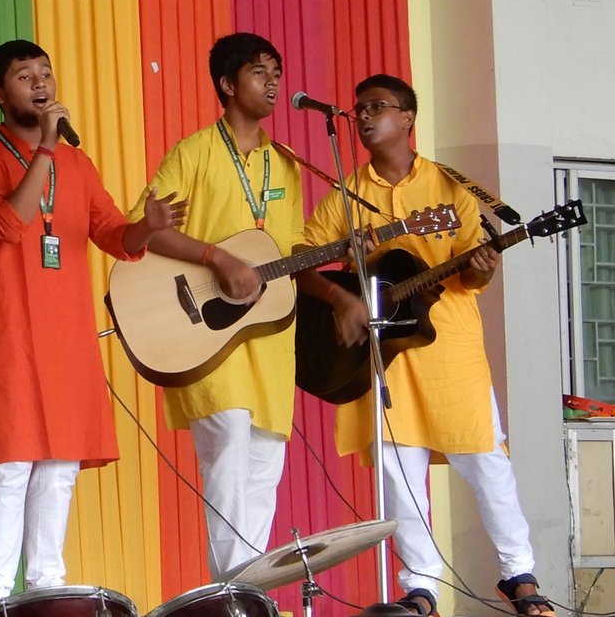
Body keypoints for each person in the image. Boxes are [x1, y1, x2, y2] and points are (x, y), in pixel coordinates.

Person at [297, 75, 553, 617]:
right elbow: (302, 255)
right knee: (399, 469)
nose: (364, 117)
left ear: (408, 119)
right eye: (359, 109)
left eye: (378, 107)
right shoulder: (347, 192)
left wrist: (484, 266)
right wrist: (342, 289)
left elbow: (473, 274)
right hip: (383, 350)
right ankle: (421, 589)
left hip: (449, 346)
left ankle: (520, 574)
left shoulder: (450, 186)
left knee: (485, 456)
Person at [0, 39, 186, 604]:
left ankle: (46, 591)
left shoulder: (78, 164)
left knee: (59, 464)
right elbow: (7, 226)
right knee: (11, 461)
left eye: (46, 73)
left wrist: (149, 225)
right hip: (10, 329)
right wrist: (46, 148)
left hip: (67, 333)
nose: (40, 83)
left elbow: (115, 237)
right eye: (24, 76)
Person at [132, 32, 305, 577]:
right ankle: (235, 593)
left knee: (264, 460)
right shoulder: (192, 154)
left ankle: (247, 586)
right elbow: (146, 232)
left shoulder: (287, 165)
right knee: (228, 441)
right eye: (259, 72)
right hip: (205, 329)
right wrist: (217, 258)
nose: (272, 83)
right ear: (228, 85)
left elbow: (292, 248)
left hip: (269, 338)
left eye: (276, 72)